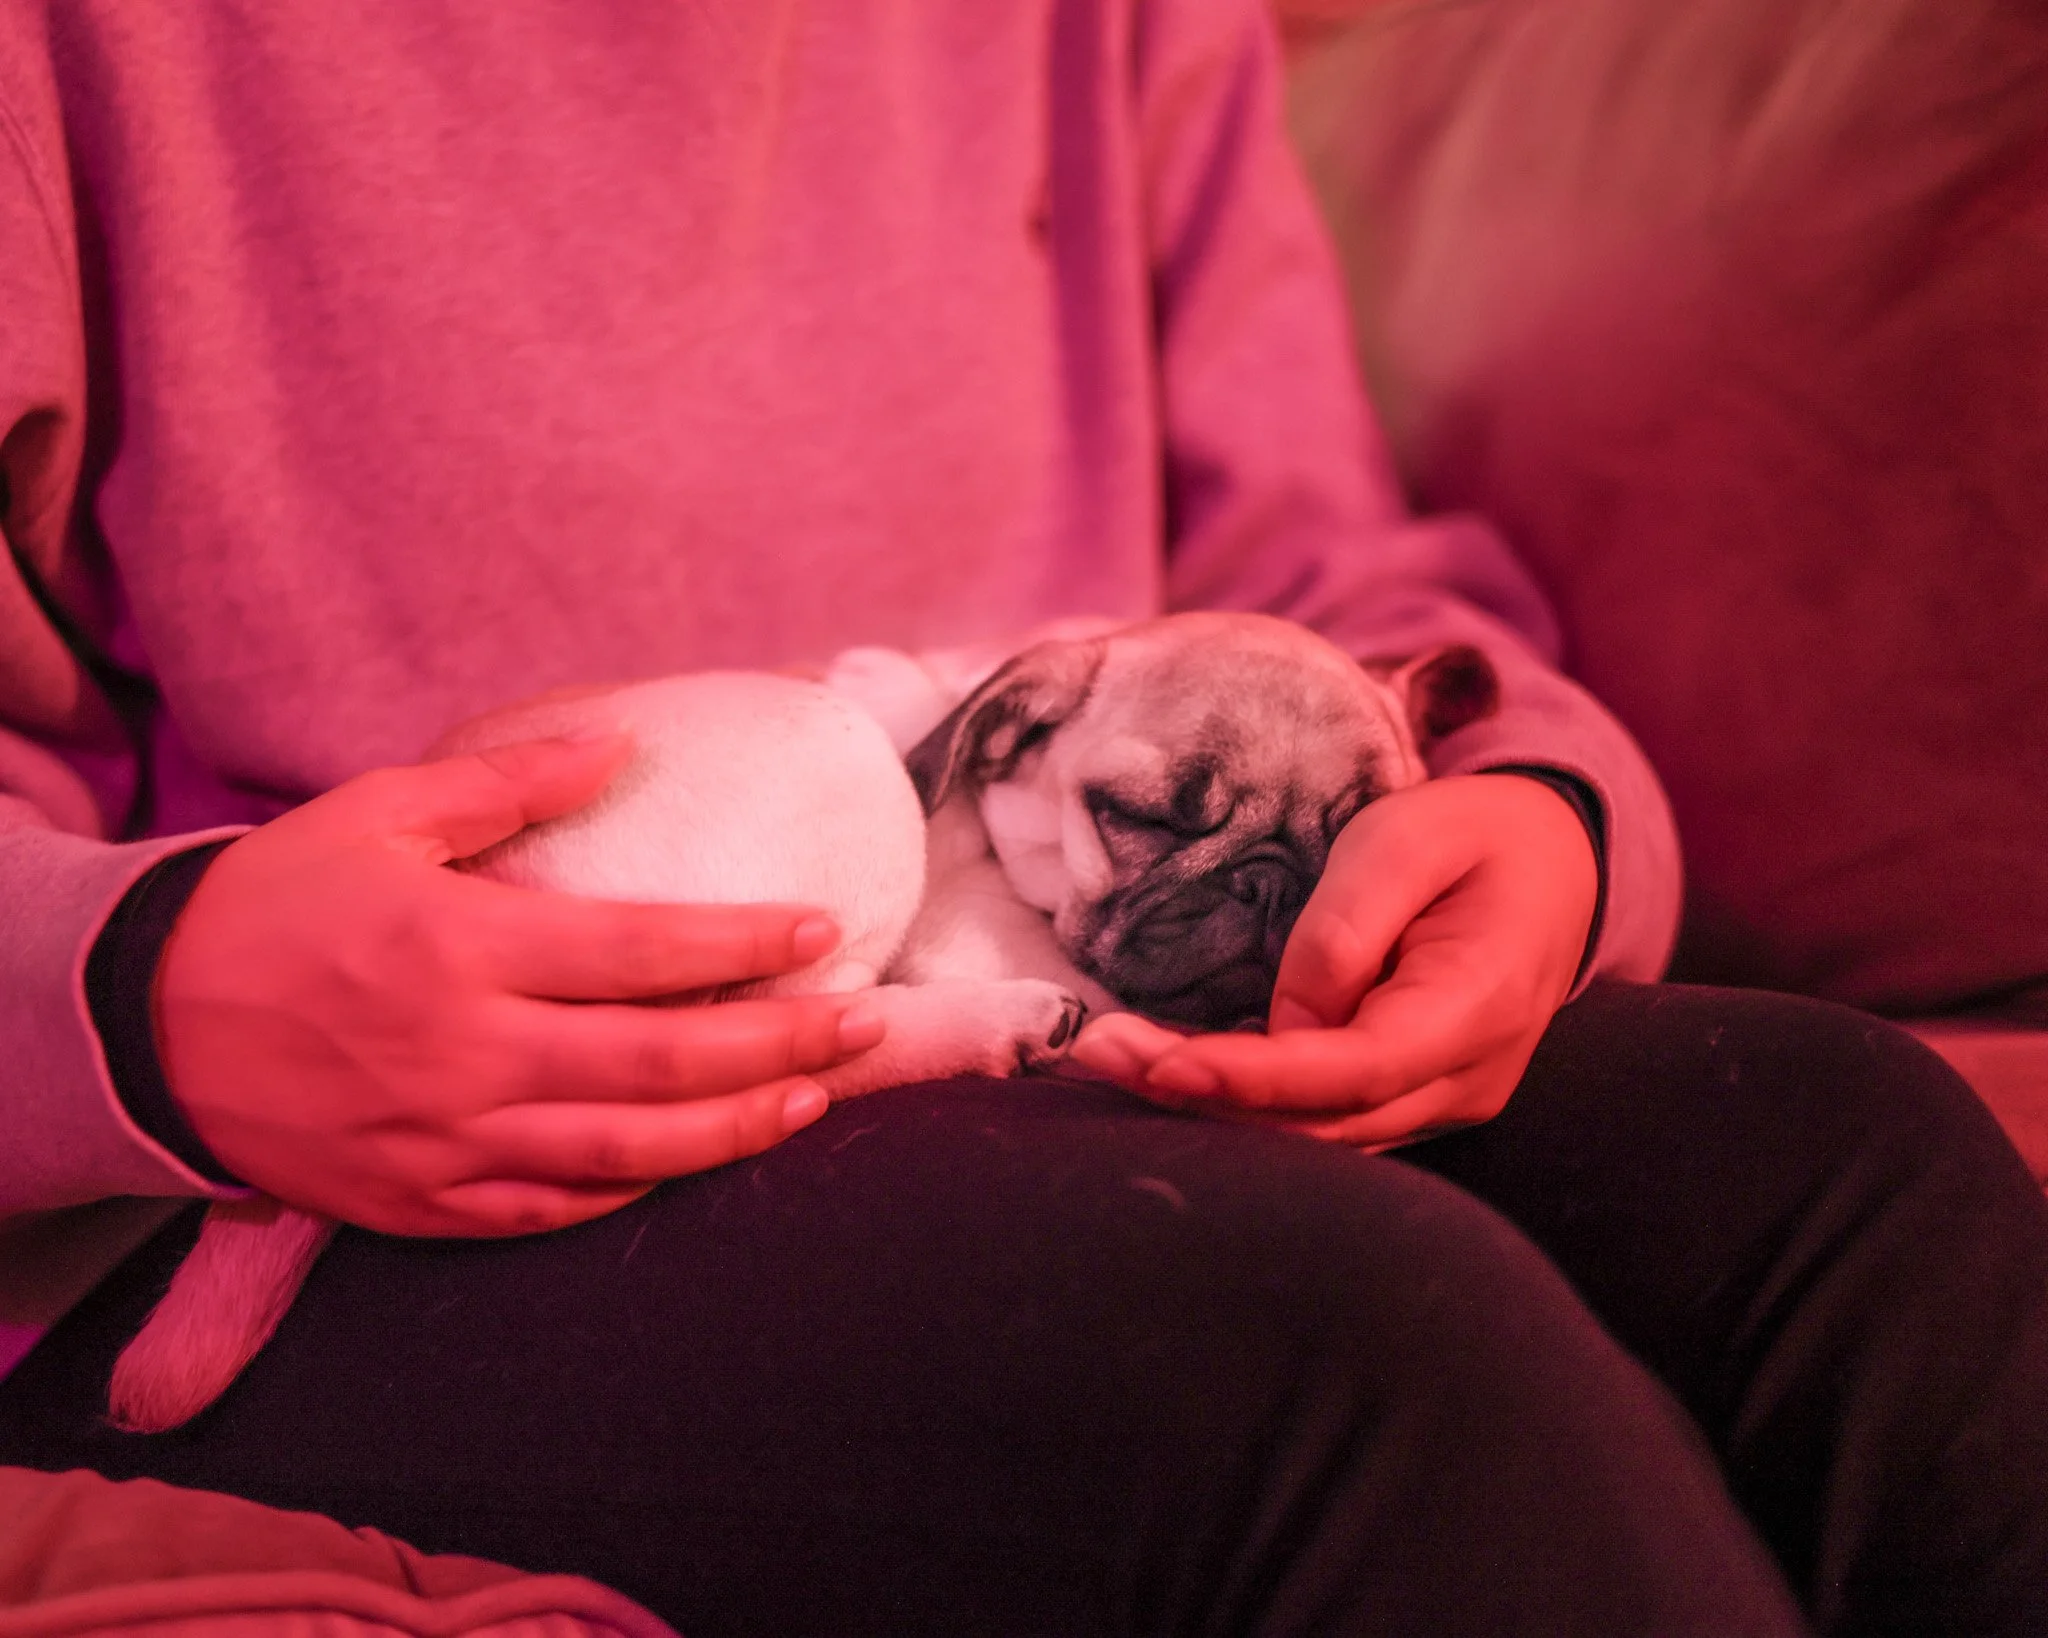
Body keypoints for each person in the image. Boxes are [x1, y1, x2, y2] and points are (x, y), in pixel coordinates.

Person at [0, 2, 2043, 1633]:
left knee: (1841, 1149)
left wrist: (1532, 823)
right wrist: (144, 994)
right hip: (299, 1180)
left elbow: (1322, 567)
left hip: (1044, 1016)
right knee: (1350, 1353)